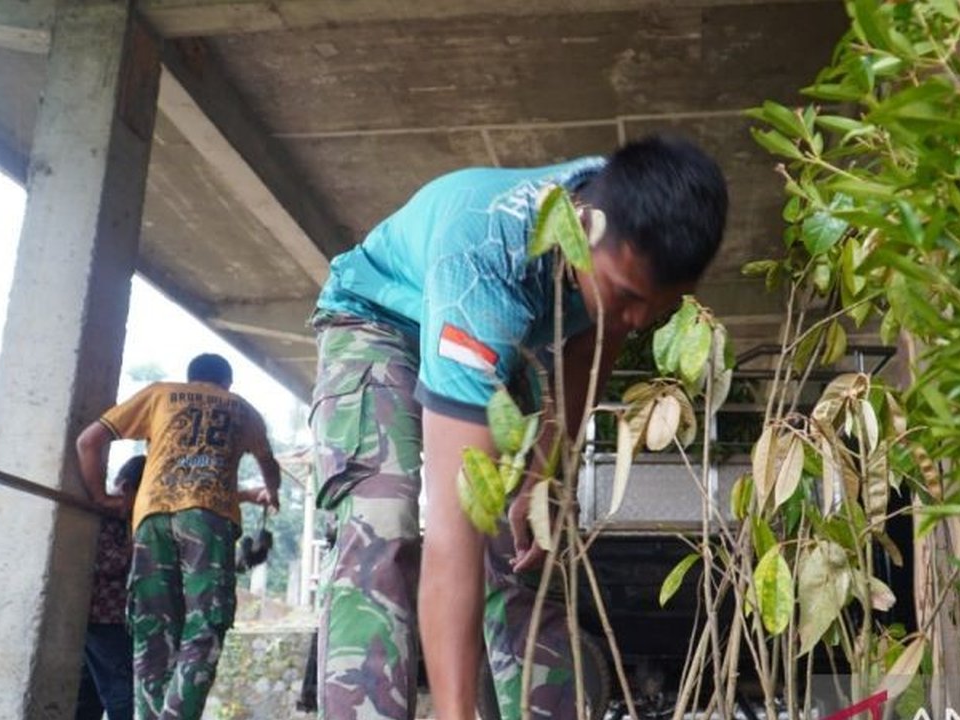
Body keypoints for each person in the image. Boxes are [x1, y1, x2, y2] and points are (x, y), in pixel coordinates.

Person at [309, 134, 728, 720]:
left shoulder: (625, 220)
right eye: (628, 295)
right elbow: (455, 533)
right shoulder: (486, 269)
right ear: (584, 231)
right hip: (381, 322)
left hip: (503, 336)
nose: (636, 318)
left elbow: (593, 348)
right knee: (385, 520)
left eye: (658, 306)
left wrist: (544, 476)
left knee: (529, 541)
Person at [76, 353, 282, 720]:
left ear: (191, 378)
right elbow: (267, 467)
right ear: (227, 384)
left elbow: (88, 442)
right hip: (208, 524)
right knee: (205, 625)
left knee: (152, 629)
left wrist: (100, 498)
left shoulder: (160, 395)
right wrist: (271, 492)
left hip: (153, 519)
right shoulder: (243, 410)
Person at [74, 454, 145, 720]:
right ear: (126, 488)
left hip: (118, 619)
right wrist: (138, 543)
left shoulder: (127, 520)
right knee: (122, 694)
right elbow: (103, 565)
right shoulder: (103, 517)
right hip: (102, 619)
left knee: (88, 697)